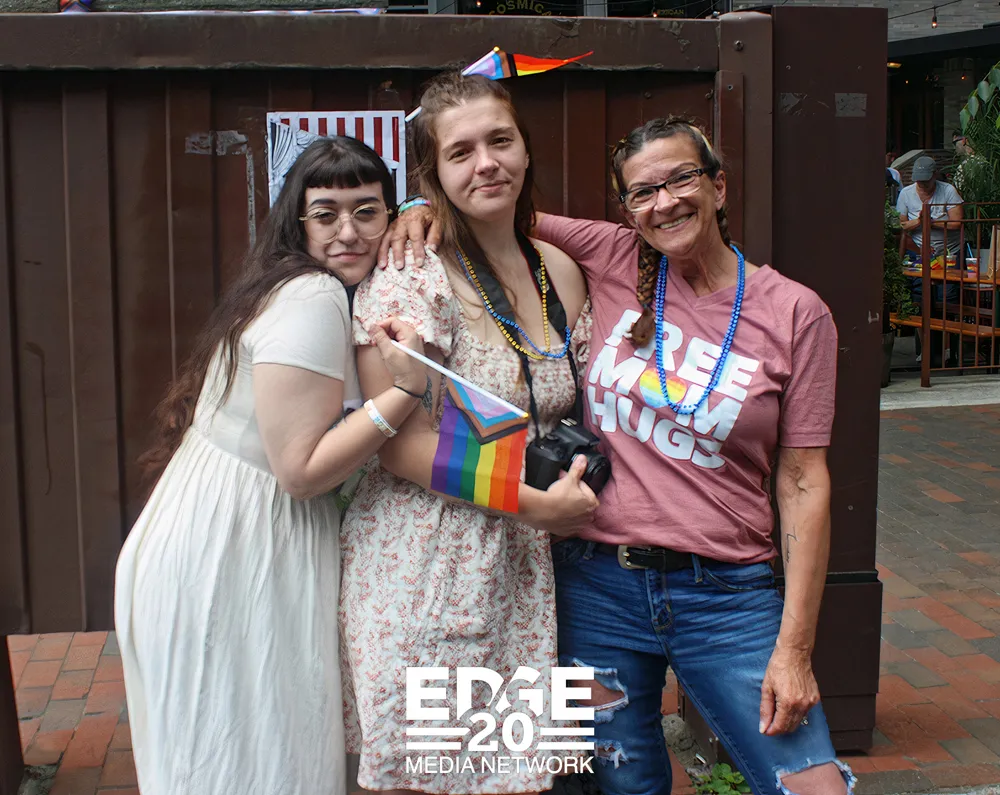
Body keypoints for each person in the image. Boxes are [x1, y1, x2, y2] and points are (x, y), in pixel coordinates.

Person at [384, 117, 853, 795]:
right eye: (642, 192)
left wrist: (796, 649)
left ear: (719, 187)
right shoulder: (614, 255)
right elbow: (494, 205)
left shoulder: (795, 313)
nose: (664, 202)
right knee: (624, 784)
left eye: (681, 179)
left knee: (810, 784)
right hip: (598, 584)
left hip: (726, 592)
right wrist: (415, 206)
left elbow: (805, 481)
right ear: (628, 208)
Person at [114, 137, 428, 795]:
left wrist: (422, 212)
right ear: (298, 220)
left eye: (367, 211)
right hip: (236, 545)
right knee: (252, 758)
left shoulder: (285, 282)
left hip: (214, 527)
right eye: (326, 214)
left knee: (225, 754)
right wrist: (405, 392)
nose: (348, 232)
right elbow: (300, 471)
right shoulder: (313, 295)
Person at [339, 72, 596, 794]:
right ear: (433, 174)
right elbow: (397, 443)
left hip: (522, 565)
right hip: (429, 559)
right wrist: (537, 505)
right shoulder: (411, 274)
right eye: (460, 152)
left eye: (500, 141)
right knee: (433, 773)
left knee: (513, 773)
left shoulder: (558, 270)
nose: (486, 163)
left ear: (525, 149)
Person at [896, 155, 963, 258]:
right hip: (917, 250)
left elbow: (957, 223)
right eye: (919, 180)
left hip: (950, 251)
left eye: (926, 181)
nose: (922, 184)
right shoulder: (906, 193)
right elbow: (901, 227)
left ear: (935, 175)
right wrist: (919, 221)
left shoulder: (948, 190)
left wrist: (931, 222)